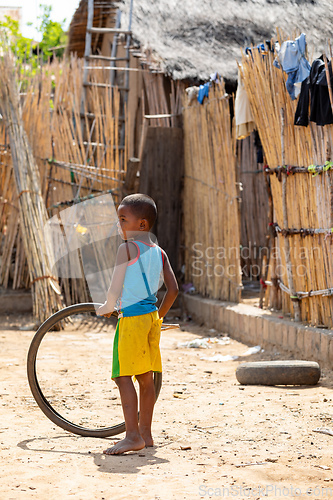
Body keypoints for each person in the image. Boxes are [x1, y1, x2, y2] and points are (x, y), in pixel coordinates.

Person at [97, 193, 178, 455]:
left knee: (122, 377)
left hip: (131, 321)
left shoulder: (127, 248)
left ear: (142, 225)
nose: (118, 225)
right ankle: (146, 434)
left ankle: (132, 436)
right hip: (150, 319)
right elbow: (173, 290)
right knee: (145, 378)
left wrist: (108, 307)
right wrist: (159, 317)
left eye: (123, 220)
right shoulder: (160, 252)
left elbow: (115, 285)